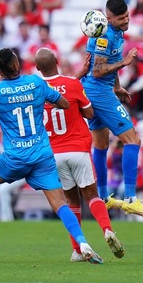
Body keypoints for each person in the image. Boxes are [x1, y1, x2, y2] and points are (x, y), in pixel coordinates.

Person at [0, 47, 103, 264]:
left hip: (16, 157)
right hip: (43, 155)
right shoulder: (37, 83)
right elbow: (64, 103)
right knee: (60, 203)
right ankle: (83, 243)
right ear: (17, 65)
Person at [35, 48, 124, 262]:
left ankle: (77, 250)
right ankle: (107, 230)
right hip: (78, 148)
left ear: (38, 69)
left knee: (71, 200)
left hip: (54, 154)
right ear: (57, 61)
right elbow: (90, 112)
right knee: (91, 196)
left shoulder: (35, 90)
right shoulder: (73, 84)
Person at [80, 0, 143, 217]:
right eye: (121, 18)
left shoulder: (117, 31)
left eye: (127, 16)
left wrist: (118, 86)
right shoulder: (104, 36)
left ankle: (103, 197)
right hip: (99, 93)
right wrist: (125, 63)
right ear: (109, 17)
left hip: (98, 90)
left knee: (101, 144)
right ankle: (131, 198)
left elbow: (107, 69)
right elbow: (98, 70)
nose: (126, 21)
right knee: (133, 140)